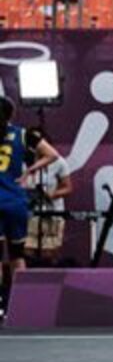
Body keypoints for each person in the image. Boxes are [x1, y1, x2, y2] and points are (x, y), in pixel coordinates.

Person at [0, 98, 63, 318]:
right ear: (11, 115)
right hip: (16, 201)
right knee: (17, 256)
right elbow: (53, 154)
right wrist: (29, 171)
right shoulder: (24, 134)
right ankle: (21, 307)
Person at [23, 123, 72, 268]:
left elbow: (68, 188)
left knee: (49, 255)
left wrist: (53, 194)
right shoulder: (23, 162)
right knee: (27, 252)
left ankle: (50, 288)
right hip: (30, 214)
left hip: (53, 213)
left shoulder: (59, 162)